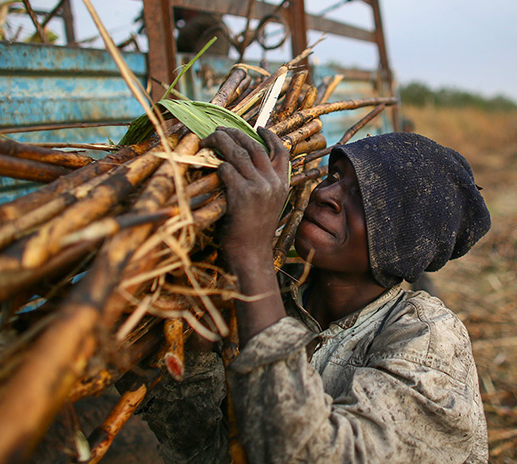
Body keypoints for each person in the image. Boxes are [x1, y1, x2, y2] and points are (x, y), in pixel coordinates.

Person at [135, 128, 491, 463]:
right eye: (334, 177)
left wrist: (252, 254)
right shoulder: (272, 298)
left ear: (402, 241)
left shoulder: (429, 339)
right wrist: (195, 358)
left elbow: (317, 453)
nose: (325, 195)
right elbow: (213, 452)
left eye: (364, 197)